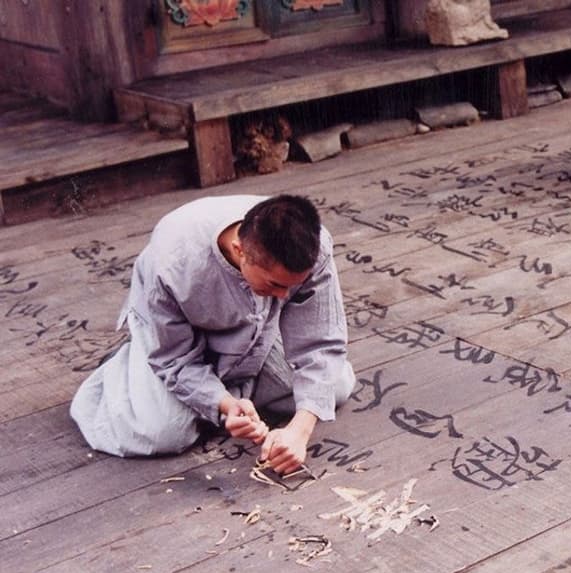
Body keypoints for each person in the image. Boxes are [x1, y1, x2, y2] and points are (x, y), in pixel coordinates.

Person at [70, 194, 356, 474]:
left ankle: (227, 387)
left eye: (291, 287)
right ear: (240, 250)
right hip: (177, 340)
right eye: (274, 285)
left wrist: (298, 431)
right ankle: (128, 366)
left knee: (337, 385)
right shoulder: (171, 263)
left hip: (255, 331)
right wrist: (223, 403)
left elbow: (321, 342)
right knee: (163, 432)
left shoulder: (313, 245)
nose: (284, 296)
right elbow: (174, 357)